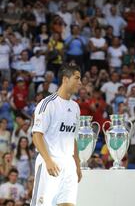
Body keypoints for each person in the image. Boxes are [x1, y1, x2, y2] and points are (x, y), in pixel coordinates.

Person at [31, 64, 82, 206]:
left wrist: (77, 165)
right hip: (50, 162)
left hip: (69, 165)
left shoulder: (75, 107)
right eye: (77, 78)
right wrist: (48, 161)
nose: (80, 82)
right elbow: (36, 135)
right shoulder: (47, 104)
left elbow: (73, 138)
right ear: (65, 79)